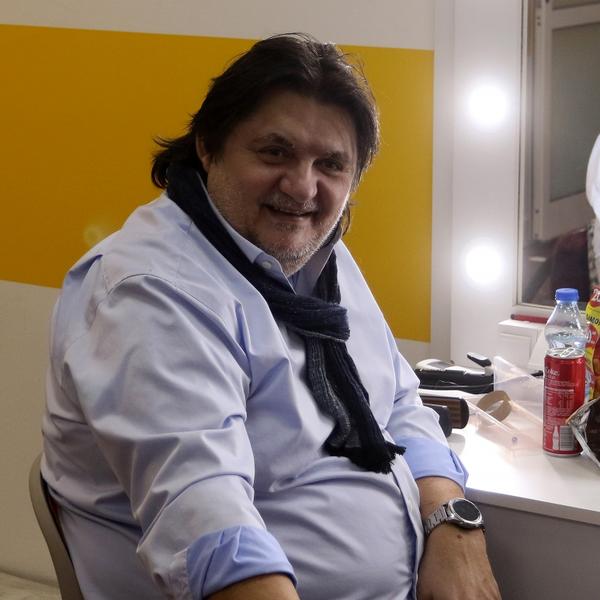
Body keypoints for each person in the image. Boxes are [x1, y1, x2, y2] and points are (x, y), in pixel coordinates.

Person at [42, 33, 500, 599]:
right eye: (275, 153)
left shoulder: (317, 258)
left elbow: (397, 403)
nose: (302, 187)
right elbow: (207, 521)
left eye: (330, 164)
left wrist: (453, 525)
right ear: (208, 146)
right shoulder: (150, 294)